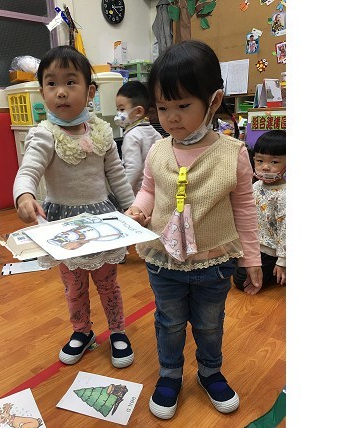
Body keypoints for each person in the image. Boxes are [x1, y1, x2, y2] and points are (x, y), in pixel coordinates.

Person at [125, 40, 263, 420]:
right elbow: (149, 189)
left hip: (214, 263)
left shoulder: (233, 153)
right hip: (164, 261)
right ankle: (170, 375)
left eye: (183, 106)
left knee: (209, 324)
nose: (171, 118)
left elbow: (245, 209)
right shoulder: (157, 150)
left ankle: (209, 372)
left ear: (213, 101)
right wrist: (138, 209)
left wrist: (252, 258)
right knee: (168, 322)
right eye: (163, 107)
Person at [13, 45, 135, 369]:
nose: (61, 92)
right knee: (74, 286)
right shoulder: (44, 134)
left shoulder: (102, 132)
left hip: (102, 221)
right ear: (42, 92)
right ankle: (82, 330)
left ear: (90, 91)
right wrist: (24, 195)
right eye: (51, 84)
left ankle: (118, 330)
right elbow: (28, 171)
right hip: (63, 227)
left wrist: (133, 210)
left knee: (108, 283)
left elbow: (117, 175)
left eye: (70, 82)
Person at [233, 130, 286, 290]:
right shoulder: (255, 186)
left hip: (271, 251)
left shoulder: (284, 194)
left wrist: (282, 261)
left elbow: (286, 229)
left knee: (241, 281)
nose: (265, 167)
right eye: (260, 160)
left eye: (274, 162)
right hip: (252, 245)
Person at [115, 80, 163, 195]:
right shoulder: (155, 133)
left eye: (122, 109)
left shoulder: (132, 136)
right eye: (117, 110)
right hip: (157, 191)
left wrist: (123, 193)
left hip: (138, 194)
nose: (118, 114)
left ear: (138, 111)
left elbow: (133, 168)